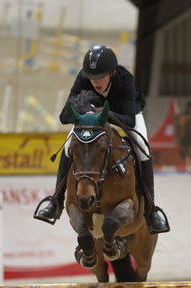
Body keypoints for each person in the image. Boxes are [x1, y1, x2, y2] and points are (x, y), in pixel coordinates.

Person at [36, 44, 169, 234]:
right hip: (94, 119)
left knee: (143, 149)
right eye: (91, 77)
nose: (94, 81)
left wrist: (104, 114)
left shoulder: (125, 79)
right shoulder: (83, 77)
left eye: (99, 77)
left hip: (124, 115)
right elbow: (64, 116)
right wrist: (86, 111)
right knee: (68, 145)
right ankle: (55, 201)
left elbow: (129, 120)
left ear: (112, 73)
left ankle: (150, 210)